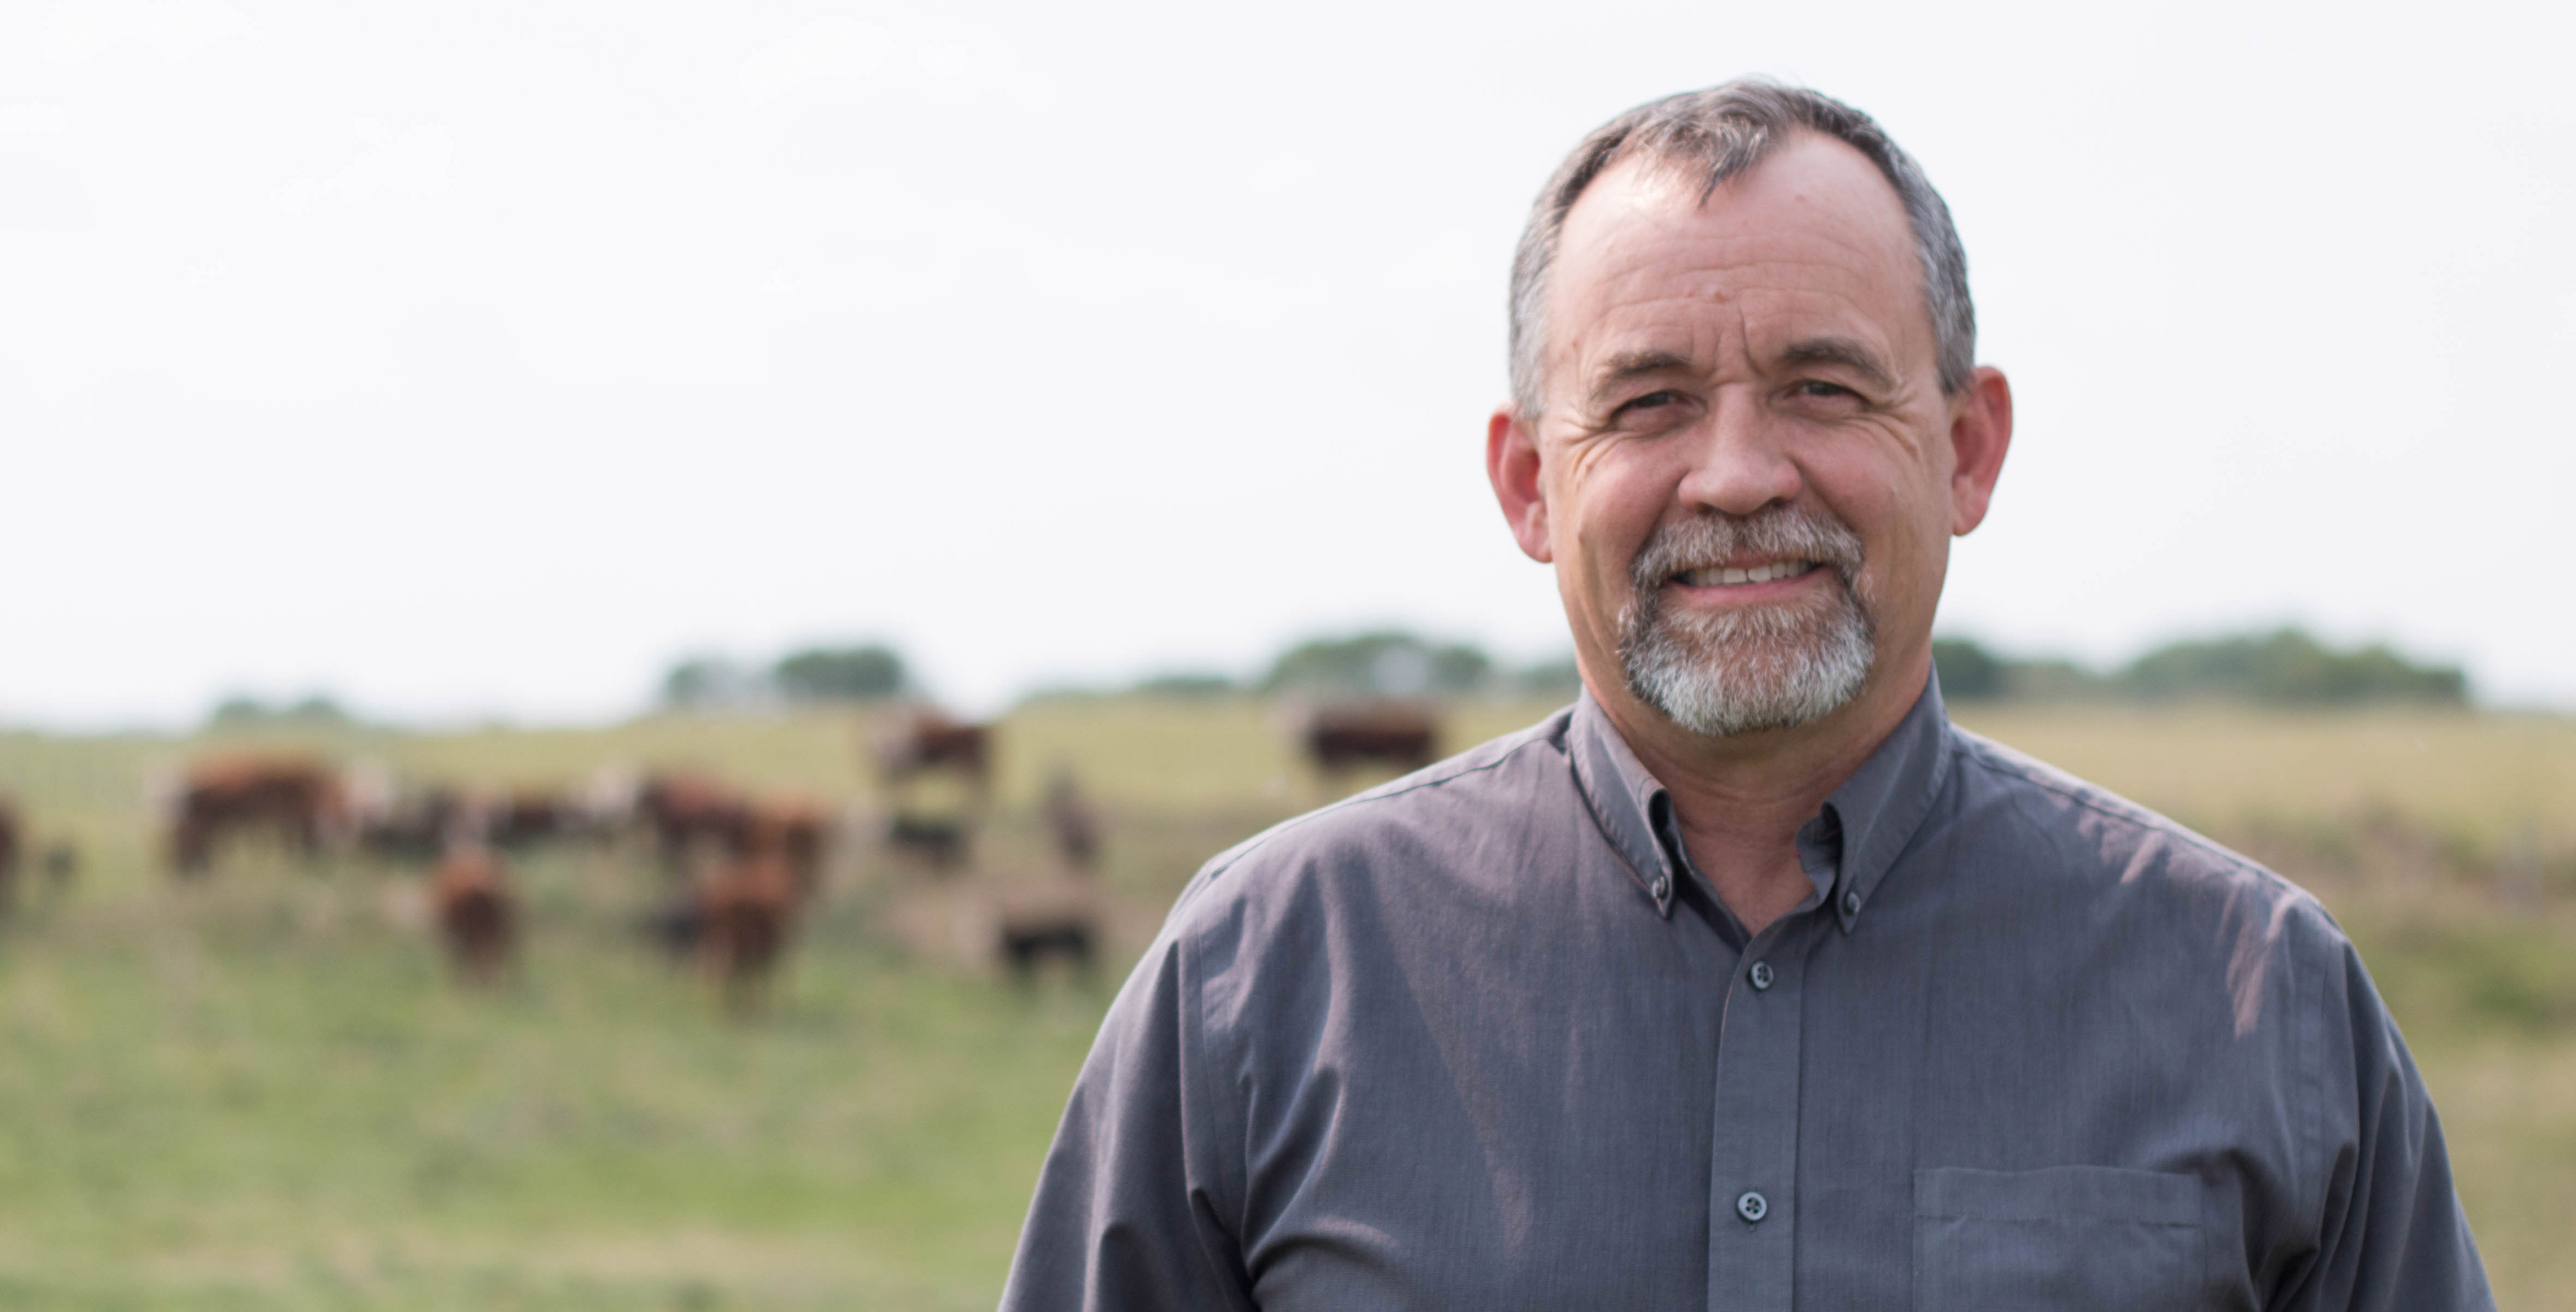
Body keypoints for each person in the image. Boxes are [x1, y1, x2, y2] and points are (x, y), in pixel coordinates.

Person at [998, 80, 2490, 1310]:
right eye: (1648, 403)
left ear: (1968, 450)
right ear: (1530, 481)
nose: (1736, 475)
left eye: (1824, 389)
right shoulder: (1261, 982)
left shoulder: (2261, 999)